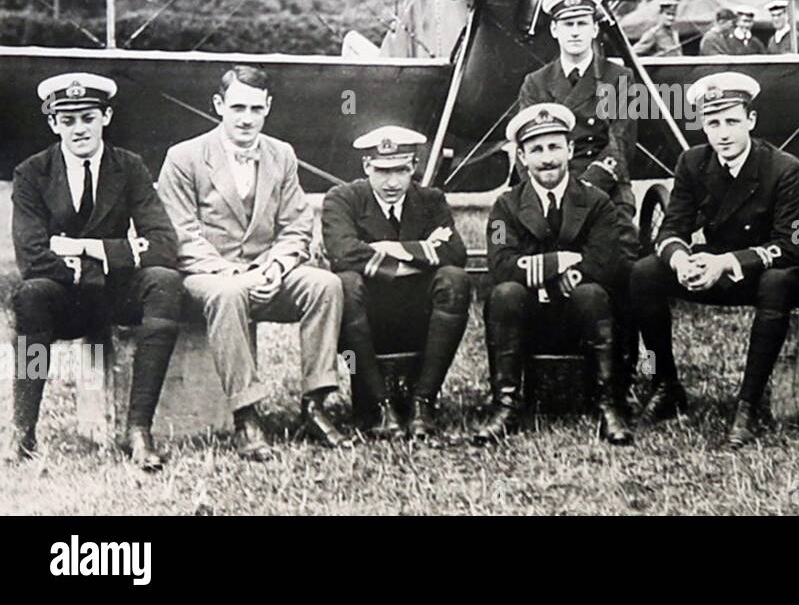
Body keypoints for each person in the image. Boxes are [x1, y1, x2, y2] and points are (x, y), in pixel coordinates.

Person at [156, 65, 350, 461]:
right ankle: (247, 417)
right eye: (237, 107)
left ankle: (315, 403)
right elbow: (180, 232)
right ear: (218, 106)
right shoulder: (184, 157)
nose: (246, 118)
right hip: (210, 277)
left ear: (268, 108)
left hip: (268, 273)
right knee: (229, 294)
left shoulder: (282, 155)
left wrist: (276, 268)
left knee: (325, 285)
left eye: (255, 109)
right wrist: (235, 273)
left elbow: (297, 223)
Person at [4, 73, 182, 470]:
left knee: (165, 282)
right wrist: (120, 254)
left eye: (88, 117)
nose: (79, 129)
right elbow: (32, 256)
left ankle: (139, 430)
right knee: (31, 294)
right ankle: (22, 429)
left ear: (106, 116)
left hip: (119, 296)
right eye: (67, 121)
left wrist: (83, 249)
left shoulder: (129, 167)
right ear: (53, 124)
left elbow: (164, 244)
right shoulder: (32, 173)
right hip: (66, 299)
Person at [628, 72, 799, 446]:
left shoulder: (785, 167)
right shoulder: (693, 162)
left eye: (732, 121)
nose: (723, 133)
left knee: (778, 283)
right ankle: (665, 383)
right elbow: (672, 228)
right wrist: (680, 260)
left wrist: (725, 262)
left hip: (768, 269)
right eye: (713, 123)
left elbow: (792, 246)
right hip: (716, 268)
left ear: (751, 121)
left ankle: (748, 404)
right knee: (645, 272)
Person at [472, 103, 634, 446]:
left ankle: (609, 403)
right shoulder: (505, 206)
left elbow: (606, 263)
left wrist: (541, 270)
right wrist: (561, 261)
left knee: (592, 293)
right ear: (522, 157)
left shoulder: (598, 202)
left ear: (570, 150)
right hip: (527, 321)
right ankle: (506, 404)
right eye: (536, 150)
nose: (547, 158)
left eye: (555, 147)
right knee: (504, 294)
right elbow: (501, 265)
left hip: (583, 321)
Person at [519, 0, 641, 392]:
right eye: (566, 23)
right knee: (534, 258)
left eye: (582, 22)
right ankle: (540, 366)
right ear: (554, 30)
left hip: (605, 185)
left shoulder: (619, 78)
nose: (574, 31)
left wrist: (583, 188)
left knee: (624, 264)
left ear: (595, 28)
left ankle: (622, 367)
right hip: (551, 180)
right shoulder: (536, 83)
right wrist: (552, 189)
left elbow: (621, 142)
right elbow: (528, 146)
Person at [320, 126, 471, 440]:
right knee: (344, 285)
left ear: (413, 167)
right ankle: (379, 406)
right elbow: (343, 254)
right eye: (382, 170)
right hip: (360, 323)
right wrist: (422, 253)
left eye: (401, 170)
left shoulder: (430, 199)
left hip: (418, 315)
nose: (392, 182)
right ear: (366, 167)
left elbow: (456, 252)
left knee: (454, 280)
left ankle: (424, 403)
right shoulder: (342, 198)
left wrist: (388, 249)